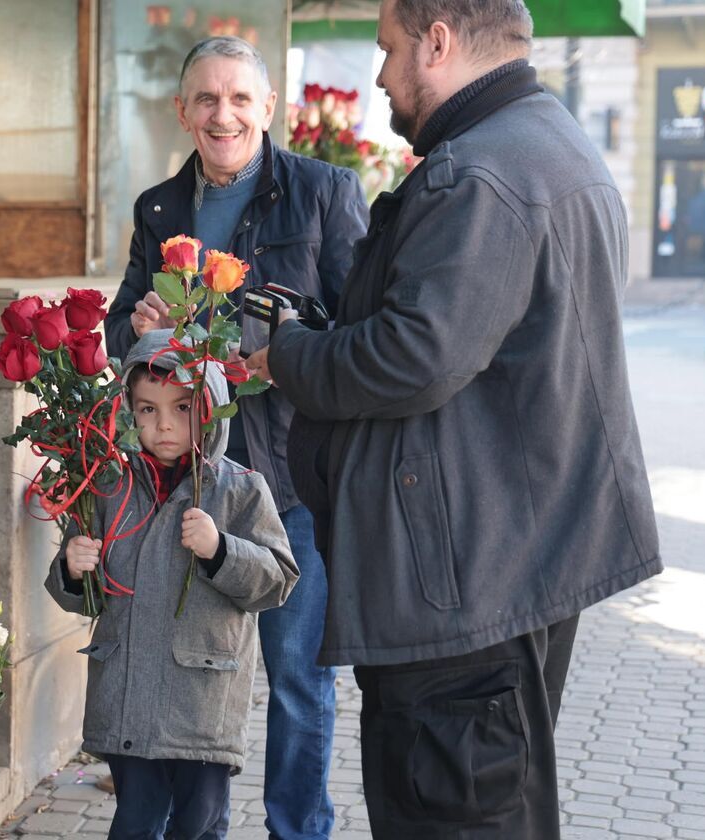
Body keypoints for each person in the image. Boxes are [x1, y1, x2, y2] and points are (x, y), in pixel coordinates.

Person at [246, 1, 662, 837]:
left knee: (457, 814)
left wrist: (286, 351)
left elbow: (411, 357)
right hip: (510, 558)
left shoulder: (478, 172)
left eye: (389, 49)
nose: (380, 76)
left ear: (437, 42)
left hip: (465, 586)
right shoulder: (548, 141)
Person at [103, 36, 367, 840]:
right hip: (183, 489)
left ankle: (296, 831)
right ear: (183, 111)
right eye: (208, 100)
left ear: (269, 108)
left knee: (296, 679)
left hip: (289, 482)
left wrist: (295, 357)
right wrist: (137, 326)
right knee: (184, 674)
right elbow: (119, 329)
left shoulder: (324, 194)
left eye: (241, 99)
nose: (225, 115)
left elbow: (363, 334)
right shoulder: (158, 209)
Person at [45, 330, 299, 840]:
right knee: (135, 820)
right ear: (127, 412)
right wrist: (73, 567)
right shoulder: (107, 485)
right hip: (127, 698)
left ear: (210, 409)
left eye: (182, 408)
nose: (163, 425)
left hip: (202, 702)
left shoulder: (240, 488)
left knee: (199, 823)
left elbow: (277, 581)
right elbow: (77, 591)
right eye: (146, 410)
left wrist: (221, 549)